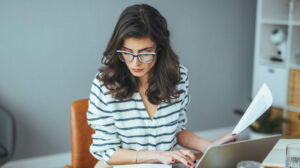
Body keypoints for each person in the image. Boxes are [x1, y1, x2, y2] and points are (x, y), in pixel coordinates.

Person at [87, 4, 237, 168]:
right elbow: (106, 151)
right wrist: (157, 156)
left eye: (145, 53)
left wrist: (209, 147)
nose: (135, 62)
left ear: (160, 48)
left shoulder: (178, 78)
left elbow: (177, 130)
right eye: (127, 52)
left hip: (165, 164)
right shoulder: (105, 84)